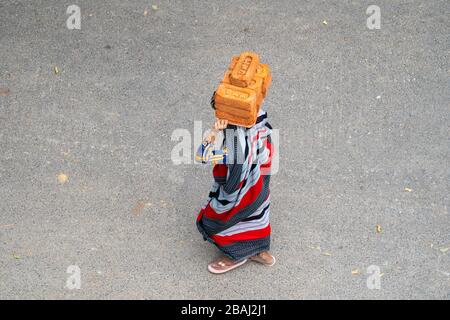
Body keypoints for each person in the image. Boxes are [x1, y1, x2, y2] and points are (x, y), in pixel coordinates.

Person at [195, 96, 276, 274]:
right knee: (257, 216)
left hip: (238, 192)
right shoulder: (261, 126)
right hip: (258, 188)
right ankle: (258, 249)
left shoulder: (234, 148)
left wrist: (213, 133)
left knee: (222, 219)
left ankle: (235, 254)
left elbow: (202, 157)